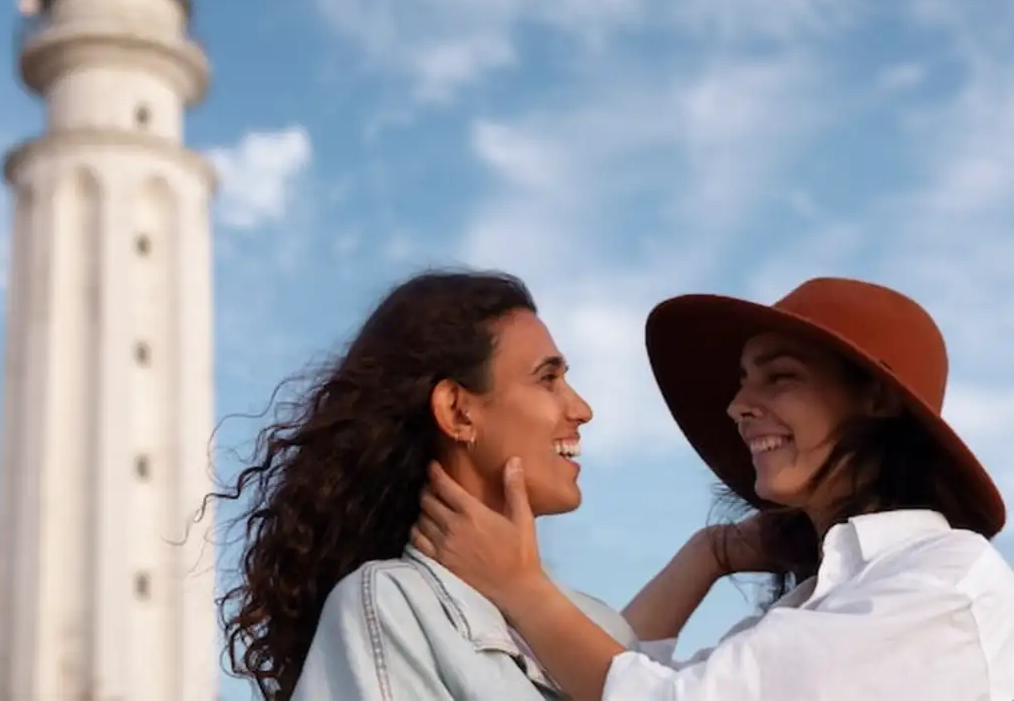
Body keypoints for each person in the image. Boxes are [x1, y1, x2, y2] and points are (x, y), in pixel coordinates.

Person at [412, 276, 1014, 700]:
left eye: (780, 377)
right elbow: (621, 669)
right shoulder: (815, 606)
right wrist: (710, 554)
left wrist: (519, 587)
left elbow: (659, 697)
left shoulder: (941, 583)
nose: (737, 406)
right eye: (744, 382)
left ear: (876, 398)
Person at [214, 270, 637, 700]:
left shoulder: (604, 629)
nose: (582, 409)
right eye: (548, 378)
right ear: (457, 411)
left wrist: (706, 553)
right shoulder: (393, 606)